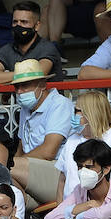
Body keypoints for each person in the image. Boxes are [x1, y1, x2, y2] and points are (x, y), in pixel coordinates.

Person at [8, 61, 75, 209]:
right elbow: (21, 145)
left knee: (7, 167)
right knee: (4, 183)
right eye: (17, 87)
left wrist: (15, 162)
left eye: (25, 85)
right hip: (37, 171)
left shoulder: (59, 104)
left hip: (61, 172)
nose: (19, 91)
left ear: (43, 85)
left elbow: (48, 151)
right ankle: (26, 214)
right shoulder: (27, 107)